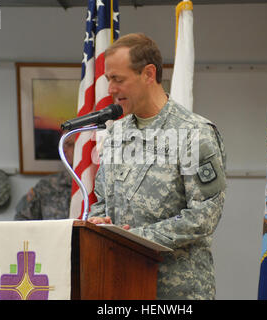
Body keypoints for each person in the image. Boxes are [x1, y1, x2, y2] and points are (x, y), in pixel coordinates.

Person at [88, 33, 226, 300]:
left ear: (148, 74)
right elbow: (101, 201)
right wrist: (99, 223)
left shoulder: (193, 133)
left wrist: (133, 240)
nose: (111, 90)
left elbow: (203, 217)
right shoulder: (116, 134)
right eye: (108, 80)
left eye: (118, 79)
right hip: (121, 285)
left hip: (177, 292)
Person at [14, 134, 75, 220]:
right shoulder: (47, 185)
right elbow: (22, 219)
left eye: (69, 144)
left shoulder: (94, 184)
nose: (64, 150)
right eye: (62, 145)